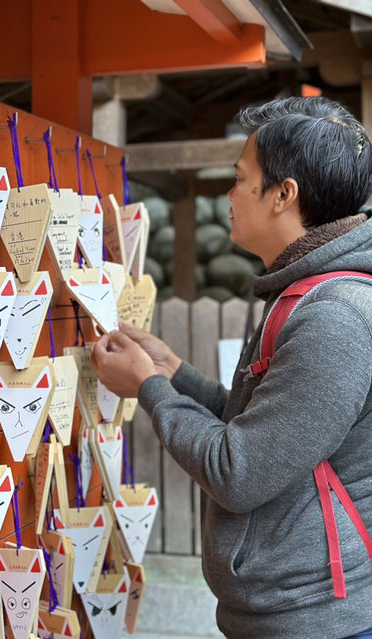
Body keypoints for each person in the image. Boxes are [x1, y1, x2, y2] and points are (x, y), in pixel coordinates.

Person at [91, 96, 372, 639]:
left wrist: (147, 387)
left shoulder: (333, 318)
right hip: (295, 608)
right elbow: (269, 437)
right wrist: (175, 373)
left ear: (282, 195)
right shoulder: (304, 293)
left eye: (241, 179)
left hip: (316, 619)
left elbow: (239, 471)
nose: (229, 194)